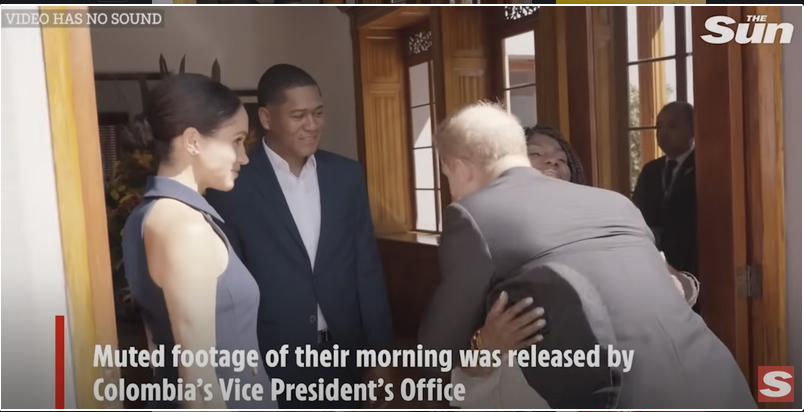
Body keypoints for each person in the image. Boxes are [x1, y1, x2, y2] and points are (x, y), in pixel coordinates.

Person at [418, 102, 756, 409]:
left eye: (447, 174)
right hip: (720, 382)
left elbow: (438, 351)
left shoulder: (474, 213)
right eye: (538, 154)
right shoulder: (616, 202)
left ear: (459, 167)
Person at [205, 64, 394, 409]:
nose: (312, 125)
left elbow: (366, 268)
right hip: (271, 359)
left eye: (318, 113)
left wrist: (380, 355)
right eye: (299, 115)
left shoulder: (346, 175)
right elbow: (226, 284)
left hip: (345, 356)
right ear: (265, 117)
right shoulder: (234, 184)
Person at [121, 73, 278, 409]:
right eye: (236, 140)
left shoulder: (154, 213)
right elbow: (198, 374)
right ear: (192, 140)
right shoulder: (183, 226)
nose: (244, 157)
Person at [524, 124, 699, 307]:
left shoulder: (602, 218)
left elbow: (677, 286)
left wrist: (683, 286)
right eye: (536, 154)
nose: (553, 160)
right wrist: (491, 335)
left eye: (562, 158)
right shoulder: (497, 230)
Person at [632, 102, 699, 312]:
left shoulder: (705, 166)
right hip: (652, 265)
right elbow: (637, 214)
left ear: (692, 129)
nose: (663, 133)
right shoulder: (651, 170)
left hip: (694, 267)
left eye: (672, 126)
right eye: (659, 126)